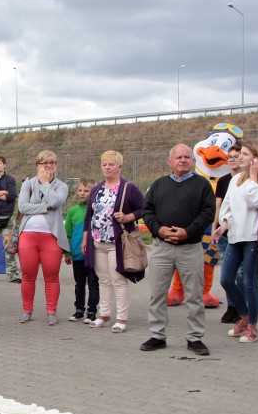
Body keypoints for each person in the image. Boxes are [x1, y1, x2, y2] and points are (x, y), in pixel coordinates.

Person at [140, 144, 216, 355]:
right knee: (157, 294)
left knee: (194, 296)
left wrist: (188, 231)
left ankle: (195, 337)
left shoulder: (202, 185)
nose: (183, 160)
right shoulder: (158, 185)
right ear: (169, 161)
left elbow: (208, 212)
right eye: (178, 157)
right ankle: (157, 335)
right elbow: (147, 210)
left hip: (189, 248)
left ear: (192, 161)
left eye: (187, 157)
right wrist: (159, 229)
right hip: (161, 248)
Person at [211, 139, 258, 344]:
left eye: (245, 154)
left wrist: (254, 178)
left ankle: (252, 326)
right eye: (240, 155)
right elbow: (227, 205)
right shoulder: (236, 178)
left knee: (249, 282)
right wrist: (224, 223)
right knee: (226, 279)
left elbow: (257, 201)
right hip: (236, 236)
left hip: (254, 237)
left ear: (256, 157)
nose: (240, 158)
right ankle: (244, 316)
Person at [82, 151, 146, 333]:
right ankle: (104, 314)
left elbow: (144, 208)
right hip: (97, 242)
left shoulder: (128, 188)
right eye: (104, 164)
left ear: (120, 167)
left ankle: (122, 318)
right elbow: (89, 216)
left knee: (118, 279)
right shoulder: (97, 189)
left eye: (111, 164)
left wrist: (128, 217)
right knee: (103, 280)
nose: (107, 167)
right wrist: (86, 238)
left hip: (116, 243)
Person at [17, 150, 69, 325]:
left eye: (51, 163)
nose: (48, 166)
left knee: (51, 275)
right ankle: (27, 309)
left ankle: (51, 311)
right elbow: (23, 207)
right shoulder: (28, 184)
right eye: (44, 163)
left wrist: (46, 184)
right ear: (37, 165)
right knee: (28, 274)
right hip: (28, 235)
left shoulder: (61, 186)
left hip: (51, 236)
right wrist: (44, 207)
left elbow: (55, 202)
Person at [213, 142, 243, 324]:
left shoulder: (249, 179)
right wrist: (214, 227)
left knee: (242, 274)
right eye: (229, 157)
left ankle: (243, 309)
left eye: (235, 156)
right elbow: (219, 206)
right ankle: (232, 307)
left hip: (243, 234)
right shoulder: (223, 181)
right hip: (224, 234)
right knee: (228, 273)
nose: (231, 160)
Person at [64, 177, 99, 322]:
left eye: (86, 190)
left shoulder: (96, 209)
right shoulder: (72, 211)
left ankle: (92, 311)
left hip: (93, 254)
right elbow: (68, 234)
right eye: (80, 190)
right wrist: (67, 253)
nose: (82, 193)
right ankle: (79, 309)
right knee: (79, 284)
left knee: (93, 284)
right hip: (77, 255)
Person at [0, 155, 20, 283]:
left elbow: (12, 196)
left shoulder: (11, 180)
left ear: (4, 165)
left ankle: (13, 275)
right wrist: (3, 192)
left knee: (10, 248)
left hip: (7, 221)